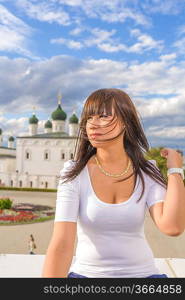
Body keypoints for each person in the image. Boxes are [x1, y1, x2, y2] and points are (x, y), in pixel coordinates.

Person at [42, 88, 185, 278]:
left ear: (126, 121)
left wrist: (175, 170)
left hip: (144, 277)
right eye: (89, 118)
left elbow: (172, 227)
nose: (92, 124)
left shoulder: (146, 171)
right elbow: (61, 245)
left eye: (102, 116)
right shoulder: (75, 172)